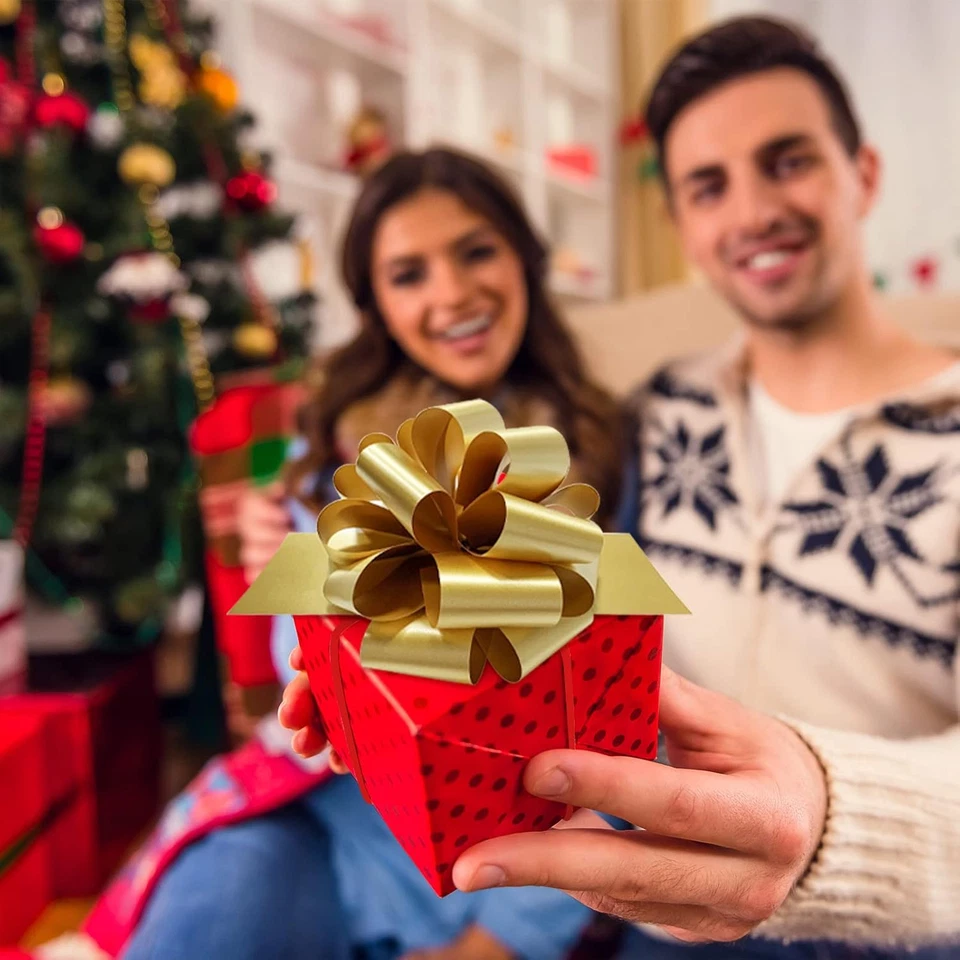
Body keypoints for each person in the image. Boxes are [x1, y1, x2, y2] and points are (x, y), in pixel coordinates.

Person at [283, 16, 960, 952]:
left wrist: (832, 815)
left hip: (883, 912)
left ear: (865, 174)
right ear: (680, 225)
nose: (753, 211)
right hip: (652, 894)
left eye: (789, 161)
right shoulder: (660, 413)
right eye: (709, 186)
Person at [75, 148, 627, 960]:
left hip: (515, 849)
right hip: (323, 819)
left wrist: (498, 942)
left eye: (476, 251)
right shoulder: (344, 444)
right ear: (377, 305)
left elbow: (624, 719)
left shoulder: (601, 453)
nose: (451, 294)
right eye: (409, 275)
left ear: (524, 257)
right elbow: (297, 671)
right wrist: (304, 579)